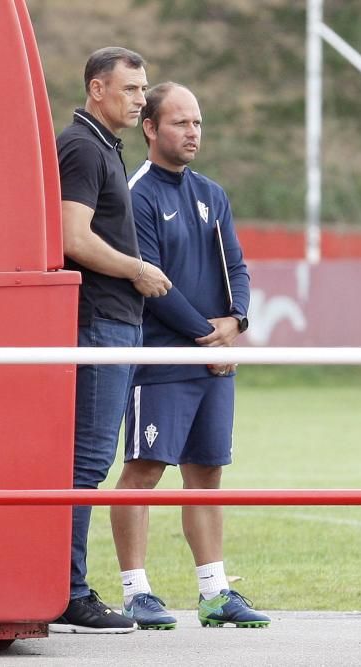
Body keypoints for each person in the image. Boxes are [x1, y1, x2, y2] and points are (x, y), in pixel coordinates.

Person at [113, 82, 270, 630]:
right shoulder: (138, 194)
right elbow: (152, 283)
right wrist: (211, 337)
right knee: (143, 471)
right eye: (181, 123)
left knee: (207, 474)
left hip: (214, 361)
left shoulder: (212, 193)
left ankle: (214, 592)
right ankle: (136, 592)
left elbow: (239, 269)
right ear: (151, 129)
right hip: (159, 361)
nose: (193, 133)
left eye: (198, 123)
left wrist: (238, 322)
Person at [49, 47, 172, 635]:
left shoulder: (102, 145)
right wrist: (135, 269)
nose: (140, 98)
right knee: (87, 461)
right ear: (97, 89)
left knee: (89, 460)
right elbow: (72, 236)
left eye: (143, 88)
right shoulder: (80, 146)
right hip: (98, 318)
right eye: (130, 89)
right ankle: (68, 591)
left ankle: (66, 586)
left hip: (113, 319)